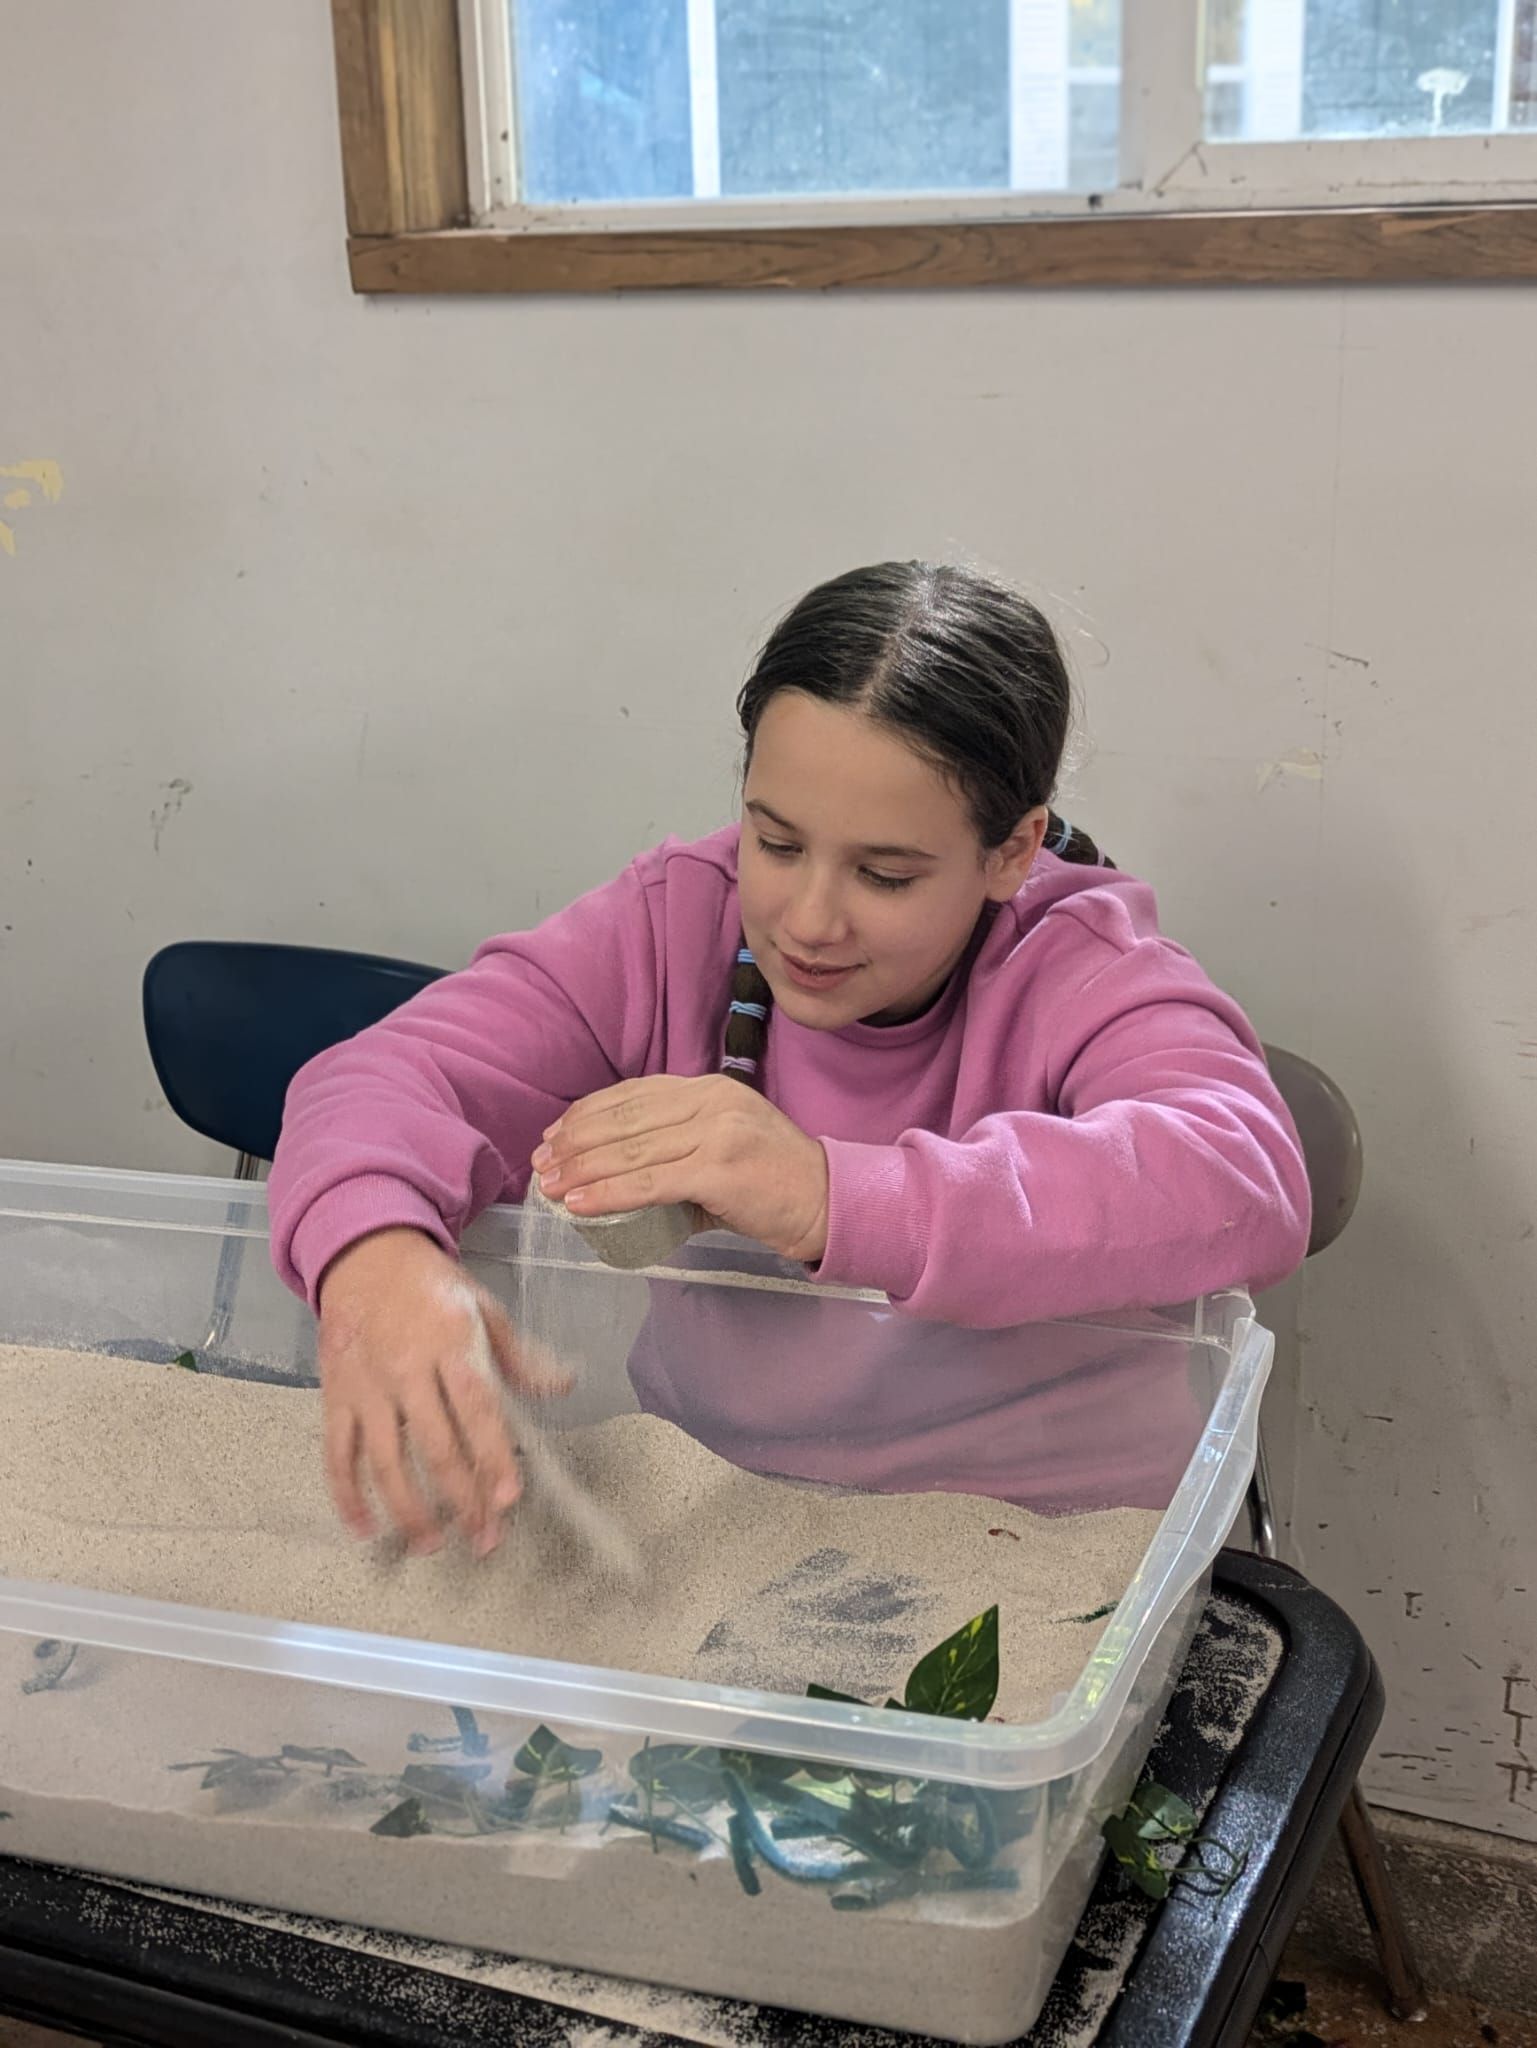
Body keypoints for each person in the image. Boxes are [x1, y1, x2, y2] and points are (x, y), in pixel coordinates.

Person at [268, 561, 1309, 1558]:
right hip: (723, 1508)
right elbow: (381, 1076)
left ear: (1011, 849)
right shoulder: (675, 919)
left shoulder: (1079, 962)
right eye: (775, 842)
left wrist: (829, 1193)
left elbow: (1243, 1177)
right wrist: (375, 1258)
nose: (807, 918)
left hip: (1047, 1535)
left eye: (886, 874)